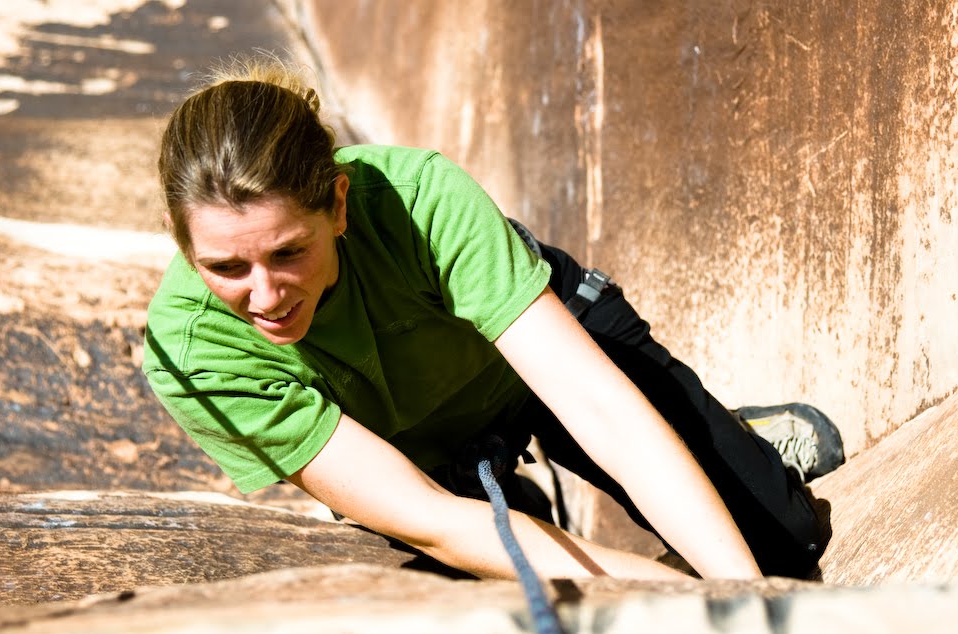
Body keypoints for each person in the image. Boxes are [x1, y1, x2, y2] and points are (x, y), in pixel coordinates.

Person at [143, 56, 842, 582]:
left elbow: (599, 408)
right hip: (421, 460)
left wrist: (738, 597)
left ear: (341, 207)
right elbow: (429, 519)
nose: (265, 296)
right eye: (226, 268)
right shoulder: (191, 351)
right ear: (184, 247)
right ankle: (517, 496)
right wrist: (665, 597)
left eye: (289, 252)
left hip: (541, 362)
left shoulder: (420, 196)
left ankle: (732, 436)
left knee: (781, 546)